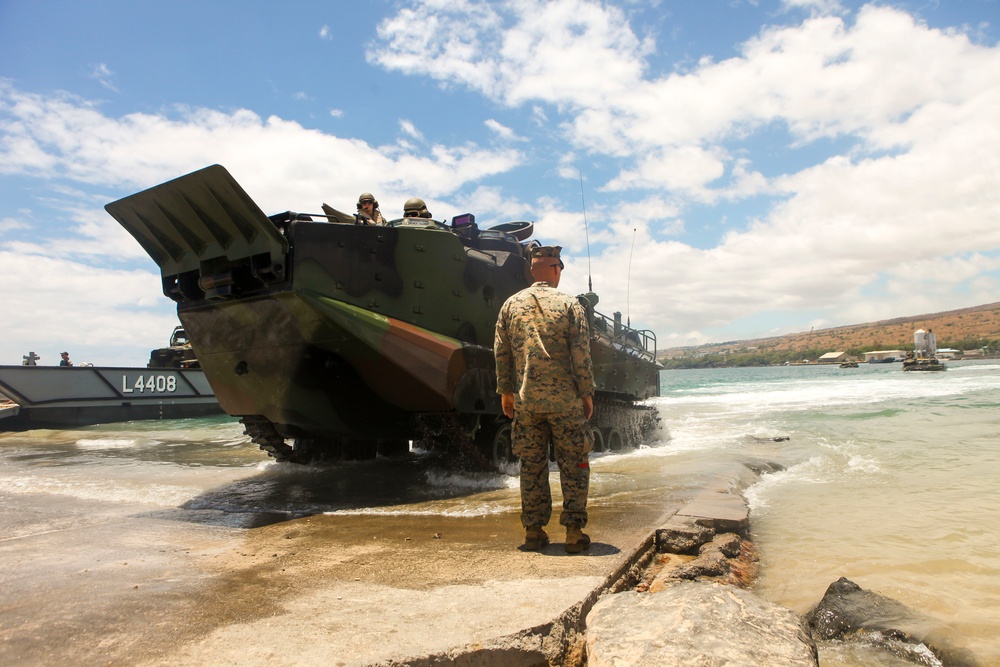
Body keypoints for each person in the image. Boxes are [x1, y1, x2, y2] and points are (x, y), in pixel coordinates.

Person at [494, 245, 596, 553]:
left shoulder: (510, 305)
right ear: (555, 269)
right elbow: (581, 354)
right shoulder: (571, 304)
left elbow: (501, 352)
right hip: (565, 403)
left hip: (527, 403)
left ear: (531, 270)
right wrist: (586, 392)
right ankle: (574, 533)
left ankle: (534, 532)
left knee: (532, 466)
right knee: (575, 463)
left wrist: (506, 392)